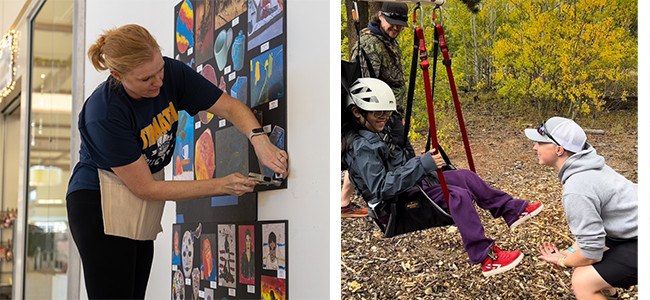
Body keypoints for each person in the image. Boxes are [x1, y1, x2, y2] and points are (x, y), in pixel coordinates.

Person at [67, 24, 288, 299]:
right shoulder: (104, 113)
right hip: (98, 199)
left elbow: (229, 107)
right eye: (147, 78)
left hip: (137, 196)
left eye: (159, 70)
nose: (159, 83)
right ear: (117, 75)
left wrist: (259, 140)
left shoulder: (171, 73)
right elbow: (146, 188)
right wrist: (222, 185)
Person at [343, 78, 544, 276]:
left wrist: (414, 154)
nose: (384, 117)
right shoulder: (362, 147)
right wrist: (421, 164)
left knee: (466, 177)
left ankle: (511, 210)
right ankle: (486, 258)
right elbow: (381, 188)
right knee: (457, 196)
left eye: (387, 112)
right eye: (378, 112)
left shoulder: (379, 131)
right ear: (357, 112)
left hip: (410, 186)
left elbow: (399, 163)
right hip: (395, 206)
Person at [527, 117, 639, 299]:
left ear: (559, 149)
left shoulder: (577, 188)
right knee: (581, 261)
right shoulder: (588, 167)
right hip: (632, 231)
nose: (535, 147)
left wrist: (563, 261)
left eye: (540, 142)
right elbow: (593, 237)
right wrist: (570, 253)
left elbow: (591, 254)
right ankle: (609, 293)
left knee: (582, 281)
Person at [343, 2, 412, 218]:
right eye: (392, 23)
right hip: (378, 113)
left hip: (391, 111)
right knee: (387, 154)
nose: (396, 28)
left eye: (400, 25)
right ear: (380, 16)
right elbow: (363, 85)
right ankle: (399, 202)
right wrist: (375, 119)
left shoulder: (388, 40)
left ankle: (343, 201)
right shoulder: (369, 45)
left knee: (393, 152)